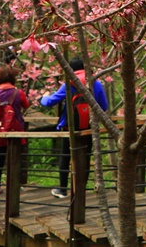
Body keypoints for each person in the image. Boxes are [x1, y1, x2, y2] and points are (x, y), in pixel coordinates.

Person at [39, 57, 108, 199]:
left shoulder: (70, 84)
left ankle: (62, 190)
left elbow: (49, 102)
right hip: (89, 127)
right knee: (85, 156)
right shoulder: (95, 82)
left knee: (65, 156)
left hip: (70, 127)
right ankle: (81, 189)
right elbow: (104, 106)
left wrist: (44, 97)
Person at [0, 65, 29, 196]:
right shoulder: (18, 93)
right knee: (15, 158)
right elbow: (26, 105)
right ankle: (14, 183)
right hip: (16, 131)